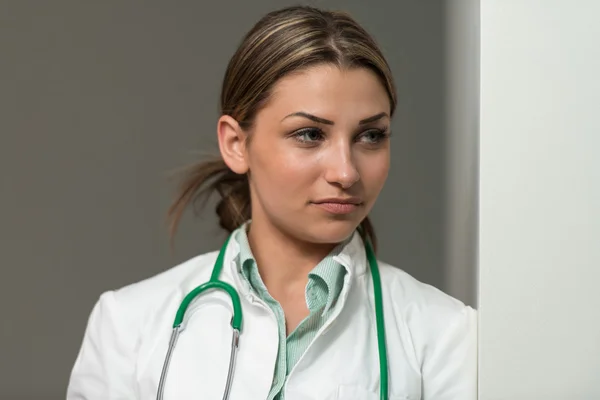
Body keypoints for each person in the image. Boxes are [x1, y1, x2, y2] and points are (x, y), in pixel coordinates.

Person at [66, 5, 476, 400]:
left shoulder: (446, 335)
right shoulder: (127, 325)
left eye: (370, 136)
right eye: (310, 135)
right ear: (236, 143)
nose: (346, 172)